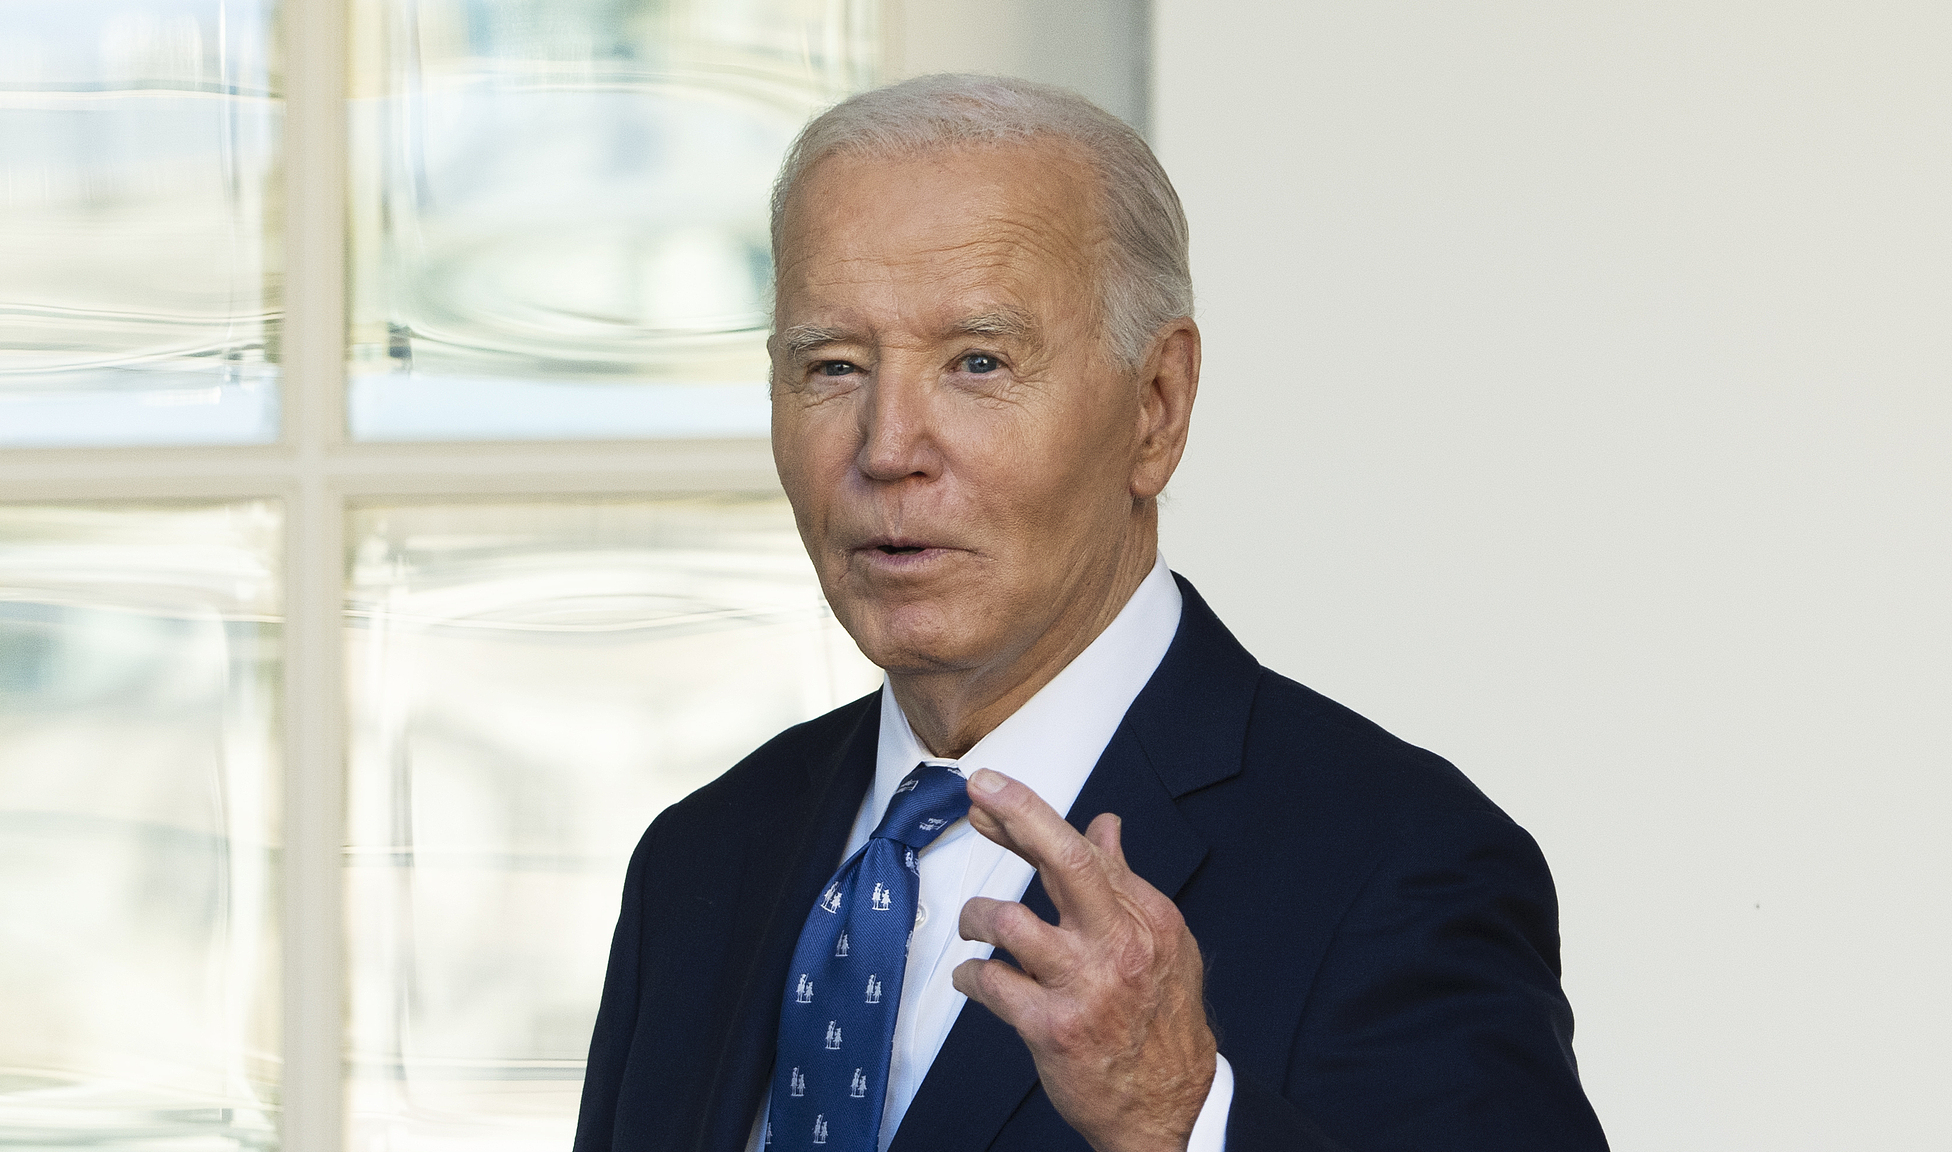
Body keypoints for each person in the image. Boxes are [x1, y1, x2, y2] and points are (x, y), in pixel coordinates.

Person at [573, 74, 1609, 1152]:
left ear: (1155, 408)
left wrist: (1181, 1120)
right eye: (832, 367)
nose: (885, 449)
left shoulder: (1396, 863)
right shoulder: (698, 863)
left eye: (977, 363)